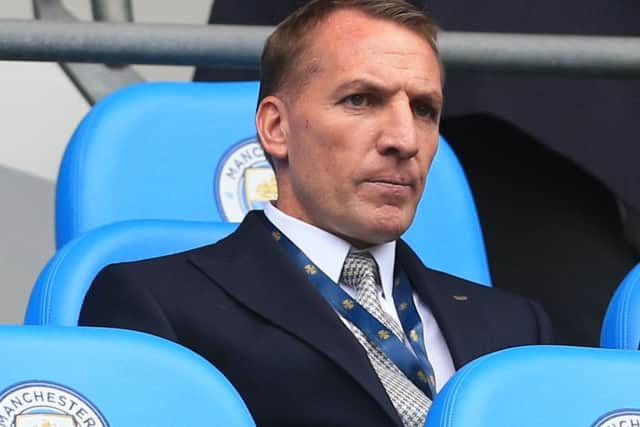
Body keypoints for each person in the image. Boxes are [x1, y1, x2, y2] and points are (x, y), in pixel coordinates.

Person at [81, 1, 553, 426]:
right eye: (361, 100)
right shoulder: (155, 303)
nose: (404, 139)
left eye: (424, 109)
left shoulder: (518, 326)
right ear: (276, 127)